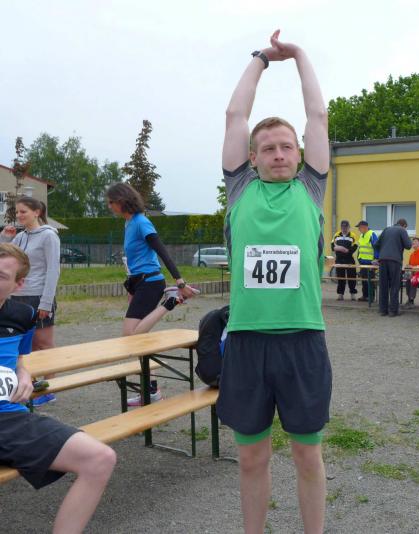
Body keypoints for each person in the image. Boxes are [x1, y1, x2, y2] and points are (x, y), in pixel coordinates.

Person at [219, 30, 331, 534]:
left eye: (287, 146)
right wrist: (262, 59)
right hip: (247, 342)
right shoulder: (240, 189)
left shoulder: (311, 188)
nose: (279, 154)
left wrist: (300, 55)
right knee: (251, 458)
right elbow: (235, 116)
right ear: (253, 157)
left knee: (307, 456)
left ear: (300, 154)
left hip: (303, 340)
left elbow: (317, 116)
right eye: (268, 148)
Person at [0, 243, 117, 534]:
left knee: (100, 458)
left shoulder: (22, 315)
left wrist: (23, 373)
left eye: (1, 276)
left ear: (19, 284)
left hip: (9, 418)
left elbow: (19, 359)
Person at [106, 183, 199, 406]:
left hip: (150, 282)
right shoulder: (129, 223)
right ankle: (152, 391)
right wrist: (130, 287)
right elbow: (135, 260)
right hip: (139, 283)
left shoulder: (141, 222)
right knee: (140, 339)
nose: (109, 206)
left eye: (111, 202)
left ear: (121, 201)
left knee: (131, 337)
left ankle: (170, 301)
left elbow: (162, 251)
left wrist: (180, 281)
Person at [1, 197, 60, 406]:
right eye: (17, 212)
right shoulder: (20, 236)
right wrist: (5, 237)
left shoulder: (49, 236)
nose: (19, 216)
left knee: (44, 344)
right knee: (27, 346)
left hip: (38, 296)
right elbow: (5, 259)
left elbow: (53, 270)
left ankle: (51, 388)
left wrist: (46, 302)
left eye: (23, 211)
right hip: (19, 296)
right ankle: (33, 385)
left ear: (37, 212)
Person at [375, 218, 411, 316]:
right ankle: (393, 310)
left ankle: (383, 310)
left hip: (382, 260)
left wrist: (383, 252)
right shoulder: (402, 230)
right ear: (404, 225)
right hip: (395, 260)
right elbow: (408, 245)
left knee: (383, 285)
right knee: (395, 285)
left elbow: (376, 244)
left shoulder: (386, 229)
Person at [330, 220, 358, 301]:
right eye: (342, 226)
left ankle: (353, 294)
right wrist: (341, 249)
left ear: (349, 227)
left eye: (346, 227)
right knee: (340, 278)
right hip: (339, 260)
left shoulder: (353, 235)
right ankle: (340, 294)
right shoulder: (336, 235)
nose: (344, 228)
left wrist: (345, 250)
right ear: (341, 227)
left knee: (352, 278)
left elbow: (354, 247)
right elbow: (332, 247)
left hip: (349, 259)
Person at [355, 220, 379, 302]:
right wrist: (359, 258)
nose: (358, 229)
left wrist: (376, 259)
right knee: (364, 279)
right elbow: (360, 248)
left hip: (370, 262)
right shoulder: (361, 235)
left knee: (370, 280)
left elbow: (377, 247)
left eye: (359, 227)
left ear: (364, 227)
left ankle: (371, 297)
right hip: (363, 262)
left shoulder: (372, 234)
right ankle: (365, 295)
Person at [404, 236, 419, 308]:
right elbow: (410, 266)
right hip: (413, 274)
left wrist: (415, 267)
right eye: (412, 241)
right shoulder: (412, 254)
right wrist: (408, 266)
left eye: (415, 241)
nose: (413, 242)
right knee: (408, 279)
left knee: (413, 279)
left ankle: (411, 300)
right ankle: (409, 298)